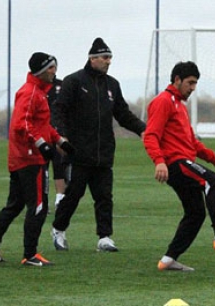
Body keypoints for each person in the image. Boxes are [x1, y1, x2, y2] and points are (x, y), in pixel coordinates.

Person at [144, 61, 215, 271]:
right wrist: (159, 161)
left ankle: (168, 260)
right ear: (177, 80)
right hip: (175, 163)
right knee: (212, 181)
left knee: (196, 213)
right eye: (190, 83)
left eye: (195, 83)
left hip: (183, 162)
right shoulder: (163, 101)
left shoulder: (179, 106)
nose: (192, 88)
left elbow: (192, 143)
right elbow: (151, 135)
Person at [51, 38, 146, 252]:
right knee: (74, 194)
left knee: (104, 196)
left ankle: (104, 237)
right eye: (105, 57)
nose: (108, 61)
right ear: (92, 59)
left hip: (103, 152)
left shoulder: (112, 85)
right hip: (78, 152)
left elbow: (123, 114)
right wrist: (61, 136)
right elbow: (59, 110)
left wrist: (143, 129)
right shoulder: (74, 81)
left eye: (110, 57)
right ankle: (58, 229)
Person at [0, 52, 74, 266]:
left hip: (20, 159)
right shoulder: (31, 93)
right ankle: (30, 254)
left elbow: (41, 125)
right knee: (39, 206)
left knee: (13, 206)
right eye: (51, 68)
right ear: (41, 70)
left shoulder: (37, 93)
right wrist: (42, 145)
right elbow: (21, 125)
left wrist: (59, 141)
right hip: (31, 160)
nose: (54, 72)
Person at [46, 75, 67, 212]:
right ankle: (42, 199)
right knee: (42, 168)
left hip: (58, 133)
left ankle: (60, 199)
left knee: (59, 165)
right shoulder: (36, 89)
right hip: (41, 134)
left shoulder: (63, 86)